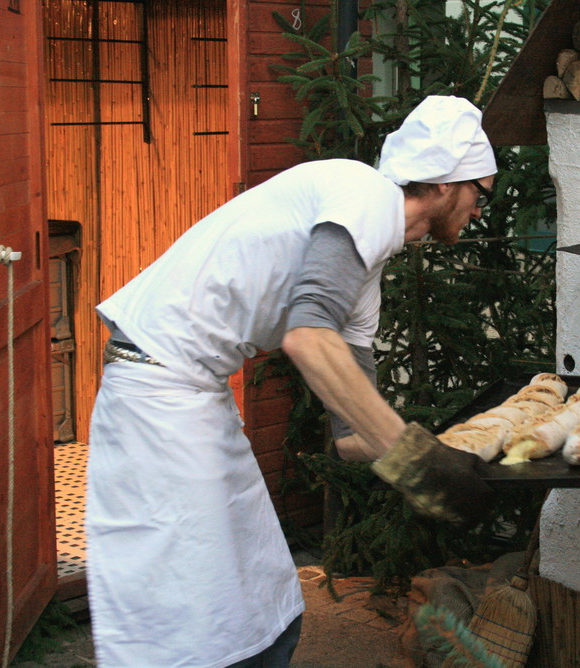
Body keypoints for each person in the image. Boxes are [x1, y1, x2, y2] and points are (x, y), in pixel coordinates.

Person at [85, 95, 498, 668]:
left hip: (195, 397)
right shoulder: (365, 194)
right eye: (484, 191)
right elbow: (308, 339)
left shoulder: (365, 269)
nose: (482, 209)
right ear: (448, 181)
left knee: (265, 601)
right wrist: (421, 466)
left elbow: (351, 434)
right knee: (189, 624)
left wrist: (465, 456)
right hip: (155, 399)